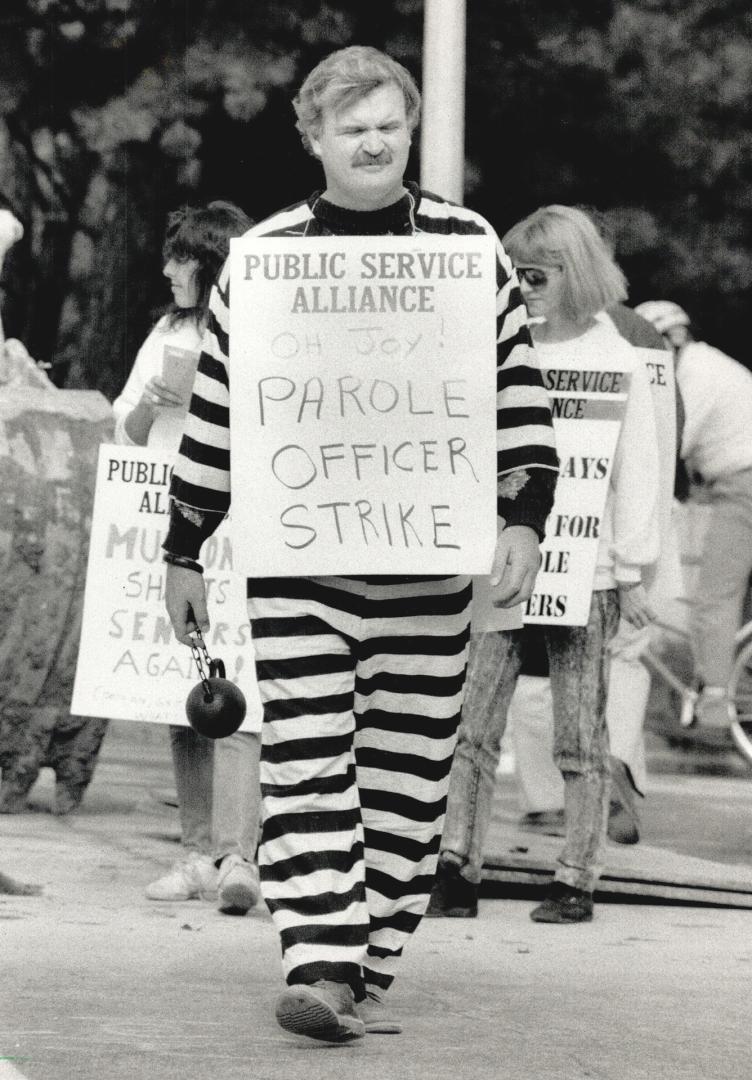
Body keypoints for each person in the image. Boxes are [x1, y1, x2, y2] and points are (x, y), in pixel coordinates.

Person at [162, 46, 558, 1043]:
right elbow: (217, 408)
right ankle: (322, 960)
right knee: (304, 758)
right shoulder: (263, 260)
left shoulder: (468, 251)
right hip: (300, 559)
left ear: (408, 129)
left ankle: (370, 956)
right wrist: (184, 542)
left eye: (387, 123)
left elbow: (517, 397)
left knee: (407, 767)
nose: (372, 141)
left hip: (427, 559)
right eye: (351, 127)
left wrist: (522, 517)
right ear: (314, 138)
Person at [428, 205, 660, 924]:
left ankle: (576, 875)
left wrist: (631, 571)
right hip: (500, 558)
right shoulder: (503, 349)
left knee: (579, 732)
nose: (522, 288)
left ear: (575, 274)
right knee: (473, 723)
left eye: (536, 275)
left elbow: (638, 474)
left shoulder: (617, 360)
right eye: (514, 275)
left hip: (584, 570)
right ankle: (456, 865)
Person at [113, 200, 262, 916]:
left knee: (241, 695)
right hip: (171, 535)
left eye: (181, 257)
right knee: (183, 695)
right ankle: (195, 849)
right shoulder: (165, 333)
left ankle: (239, 853)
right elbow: (130, 435)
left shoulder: (260, 330)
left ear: (211, 263)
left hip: (236, 536)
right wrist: (152, 402)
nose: (169, 268)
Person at [511, 303, 681, 845]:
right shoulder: (642, 332)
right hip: (627, 522)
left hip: (555, 524)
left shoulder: (535, 327)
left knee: (535, 667)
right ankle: (614, 765)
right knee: (624, 658)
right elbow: (666, 428)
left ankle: (547, 799)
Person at [634, 300, 752, 729]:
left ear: (675, 339)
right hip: (730, 483)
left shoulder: (694, 377)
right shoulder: (706, 366)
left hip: (744, 486)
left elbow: (668, 445)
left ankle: (716, 702)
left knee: (714, 599)